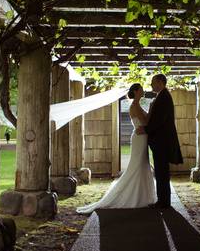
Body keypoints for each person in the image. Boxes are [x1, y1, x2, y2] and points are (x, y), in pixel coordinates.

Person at [75, 83, 156, 213]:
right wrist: (152, 109)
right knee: (136, 166)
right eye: (141, 89)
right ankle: (130, 195)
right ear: (135, 92)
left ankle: (141, 196)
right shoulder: (134, 106)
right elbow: (146, 122)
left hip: (142, 137)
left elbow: (146, 121)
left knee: (142, 165)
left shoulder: (137, 105)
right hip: (139, 138)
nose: (143, 91)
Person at [136, 73, 183, 209]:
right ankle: (163, 201)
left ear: (161, 83)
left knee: (162, 172)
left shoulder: (164, 97)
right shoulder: (162, 96)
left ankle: (163, 202)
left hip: (162, 142)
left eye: (153, 82)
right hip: (160, 141)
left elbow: (159, 120)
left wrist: (145, 129)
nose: (151, 85)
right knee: (161, 171)